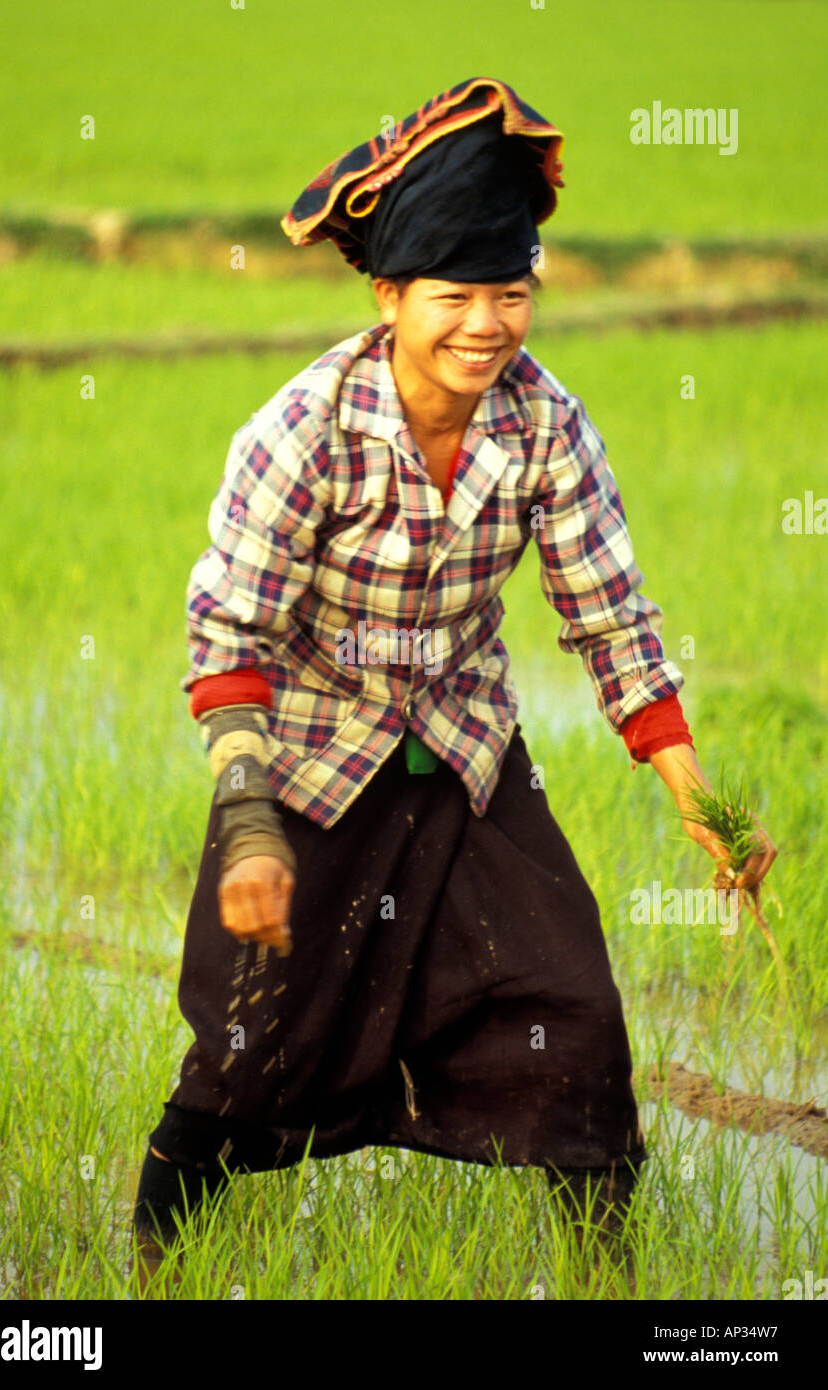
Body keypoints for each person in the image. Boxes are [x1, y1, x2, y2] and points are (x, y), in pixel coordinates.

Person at [132, 77, 776, 1292]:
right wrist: (250, 819)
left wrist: (700, 800)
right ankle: (152, 1259)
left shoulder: (545, 425)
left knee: (572, 1006)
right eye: (455, 297)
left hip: (467, 751)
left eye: (512, 293)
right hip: (315, 762)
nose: (486, 324)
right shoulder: (302, 432)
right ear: (389, 298)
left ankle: (609, 1278)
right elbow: (229, 636)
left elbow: (609, 615)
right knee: (250, 1037)